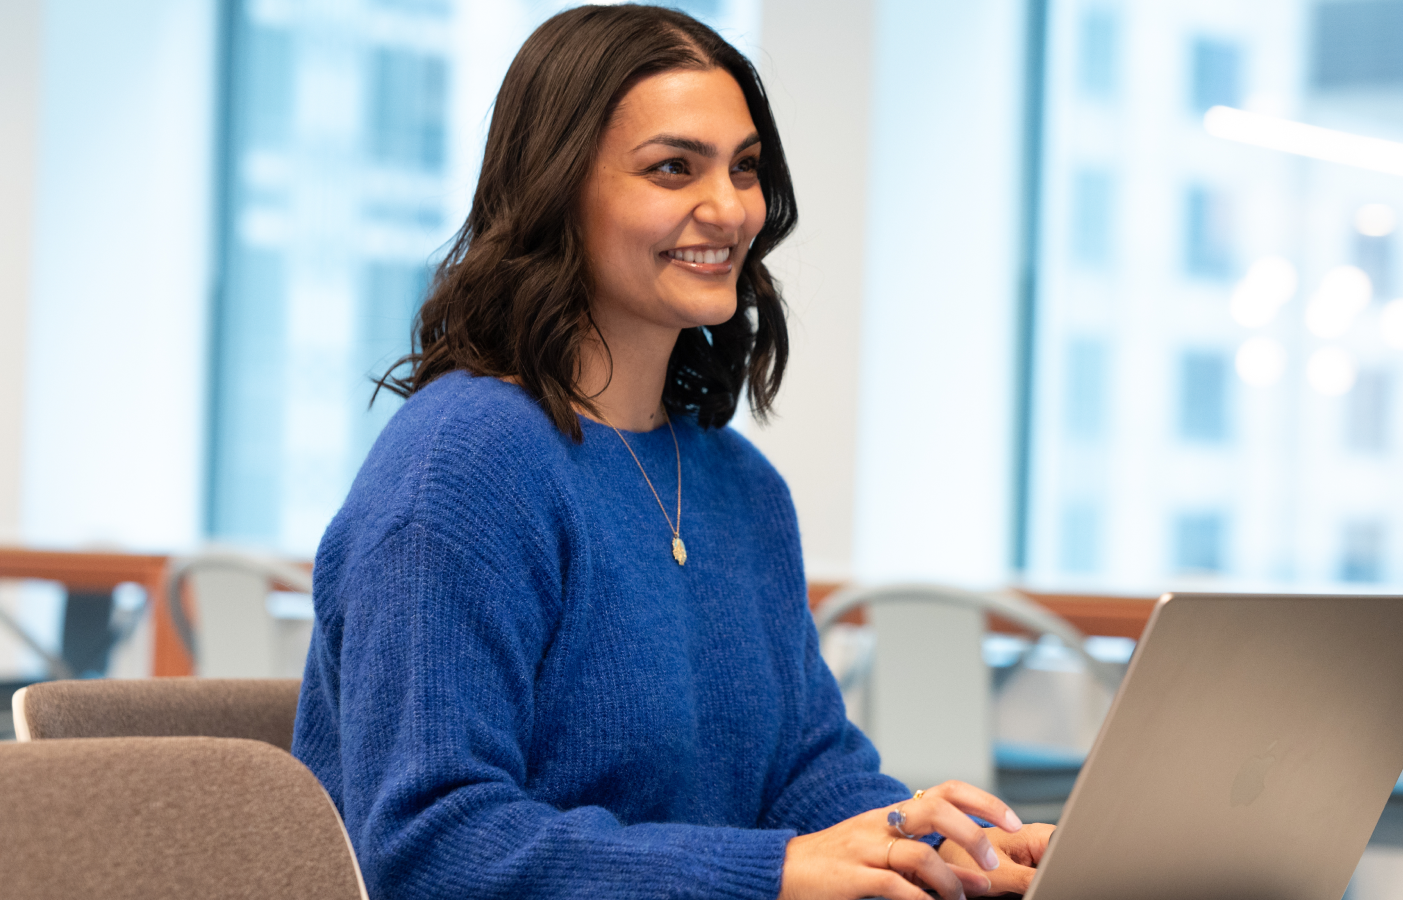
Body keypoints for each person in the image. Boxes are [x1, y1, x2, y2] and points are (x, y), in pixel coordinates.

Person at [292, 5, 1053, 899]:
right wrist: (770, 873)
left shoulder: (741, 488)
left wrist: (937, 846)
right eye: (672, 169)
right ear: (558, 189)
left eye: (744, 168)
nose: (729, 208)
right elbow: (431, 846)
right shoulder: (460, 467)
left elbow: (802, 777)